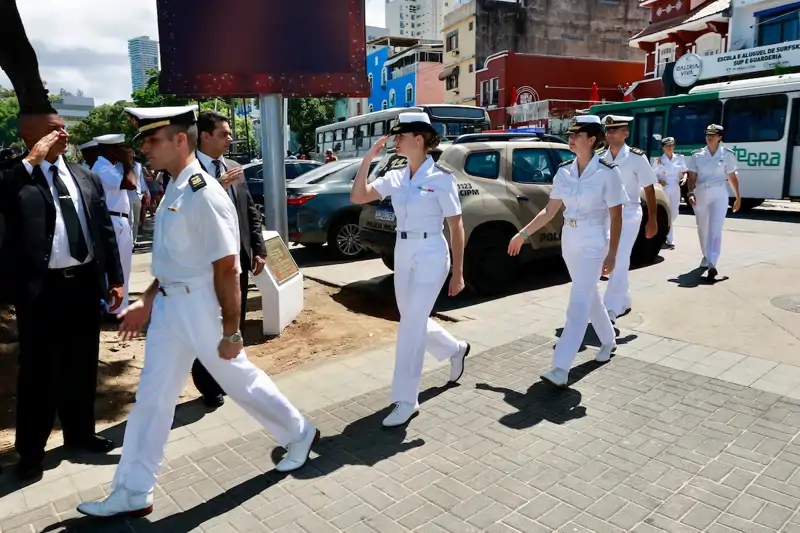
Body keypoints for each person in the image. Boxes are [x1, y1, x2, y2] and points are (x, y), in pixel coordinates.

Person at [77, 105, 318, 518]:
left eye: (152, 140)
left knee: (240, 381)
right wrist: (148, 298)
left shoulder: (204, 194)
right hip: (172, 308)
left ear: (180, 140)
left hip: (201, 308)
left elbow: (227, 267)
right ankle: (133, 490)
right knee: (152, 398)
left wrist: (231, 331)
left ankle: (299, 433)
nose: (144, 149)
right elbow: (173, 260)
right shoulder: (173, 187)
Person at [0, 111, 124, 481]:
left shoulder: (85, 176)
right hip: (41, 290)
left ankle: (81, 432)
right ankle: (31, 452)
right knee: (38, 373)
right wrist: (30, 163)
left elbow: (103, 230)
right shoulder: (14, 176)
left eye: (63, 127)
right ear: (30, 135)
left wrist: (115, 278)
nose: (63, 133)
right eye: (54, 129)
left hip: (84, 284)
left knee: (83, 363)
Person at [350, 112, 470, 427]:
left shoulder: (442, 178)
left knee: (410, 326)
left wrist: (458, 272)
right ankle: (455, 349)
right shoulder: (396, 176)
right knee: (413, 320)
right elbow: (359, 196)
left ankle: (406, 399)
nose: (396, 140)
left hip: (432, 251)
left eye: (401, 135)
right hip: (403, 251)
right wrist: (367, 161)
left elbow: (456, 226)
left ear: (419, 139)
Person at [508, 115, 626, 387]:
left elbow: (617, 216)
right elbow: (550, 211)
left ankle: (560, 367)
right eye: (570, 134)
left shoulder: (609, 172)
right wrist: (523, 233)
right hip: (570, 238)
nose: (570, 138)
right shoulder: (564, 171)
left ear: (592, 140)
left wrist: (613, 253)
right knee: (588, 294)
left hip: (595, 239)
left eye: (577, 134)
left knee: (578, 303)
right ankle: (608, 340)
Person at [192, 110, 267, 408]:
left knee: (234, 324)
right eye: (223, 133)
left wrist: (258, 249)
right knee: (208, 326)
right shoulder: (187, 170)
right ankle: (208, 386)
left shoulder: (235, 166)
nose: (230, 139)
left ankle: (232, 377)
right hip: (205, 266)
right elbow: (184, 213)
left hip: (237, 262)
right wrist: (216, 188)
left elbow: (250, 211)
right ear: (205, 136)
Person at [600, 115, 658, 324]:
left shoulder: (636, 157)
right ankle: (624, 299)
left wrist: (653, 219)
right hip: (606, 215)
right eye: (607, 130)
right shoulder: (600, 157)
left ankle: (610, 308)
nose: (609, 134)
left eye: (615, 130)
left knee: (619, 257)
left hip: (630, 213)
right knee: (611, 256)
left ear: (626, 134)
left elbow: (649, 188)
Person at [686, 124, 742, 280]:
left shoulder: (727, 154)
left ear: (720, 137)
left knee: (715, 228)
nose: (709, 137)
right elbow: (691, 177)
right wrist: (690, 192)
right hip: (701, 193)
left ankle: (713, 263)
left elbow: (732, 177)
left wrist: (738, 197)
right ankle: (706, 255)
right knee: (702, 228)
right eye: (707, 134)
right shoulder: (697, 155)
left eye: (713, 134)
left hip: (719, 193)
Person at [92, 134, 137, 314]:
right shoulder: (102, 167)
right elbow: (130, 184)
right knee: (117, 268)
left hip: (119, 219)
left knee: (123, 266)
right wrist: (128, 162)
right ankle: (114, 309)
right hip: (113, 219)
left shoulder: (109, 166)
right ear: (111, 150)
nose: (125, 151)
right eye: (121, 148)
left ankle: (118, 307)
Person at [653, 137, 687, 249]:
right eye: (667, 146)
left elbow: (684, 171)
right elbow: (652, 175)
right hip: (664, 188)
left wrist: (685, 178)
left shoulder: (679, 158)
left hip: (676, 186)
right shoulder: (658, 160)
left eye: (671, 145)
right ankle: (670, 238)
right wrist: (658, 181)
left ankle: (663, 229)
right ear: (663, 148)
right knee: (667, 212)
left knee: (674, 211)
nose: (669, 147)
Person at [125, 148, 149, 248]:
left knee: (136, 220)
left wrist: (145, 191)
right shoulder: (120, 166)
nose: (130, 154)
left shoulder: (138, 166)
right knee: (130, 219)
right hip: (127, 194)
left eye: (131, 152)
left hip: (138, 194)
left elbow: (141, 180)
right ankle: (129, 242)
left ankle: (134, 240)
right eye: (127, 152)